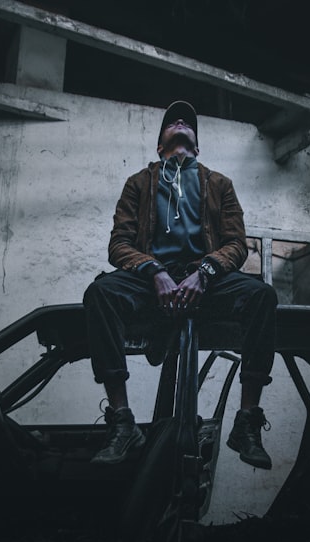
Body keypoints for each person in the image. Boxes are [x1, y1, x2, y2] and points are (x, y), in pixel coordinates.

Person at [83, 100, 278, 469]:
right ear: (160, 146)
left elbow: (236, 244)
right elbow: (118, 245)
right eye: (172, 122)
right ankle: (123, 423)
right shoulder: (139, 183)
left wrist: (205, 272)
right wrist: (153, 271)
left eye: (187, 122)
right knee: (100, 294)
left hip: (204, 277)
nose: (180, 122)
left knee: (262, 296)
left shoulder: (219, 184)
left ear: (197, 146)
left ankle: (248, 421)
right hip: (151, 278)